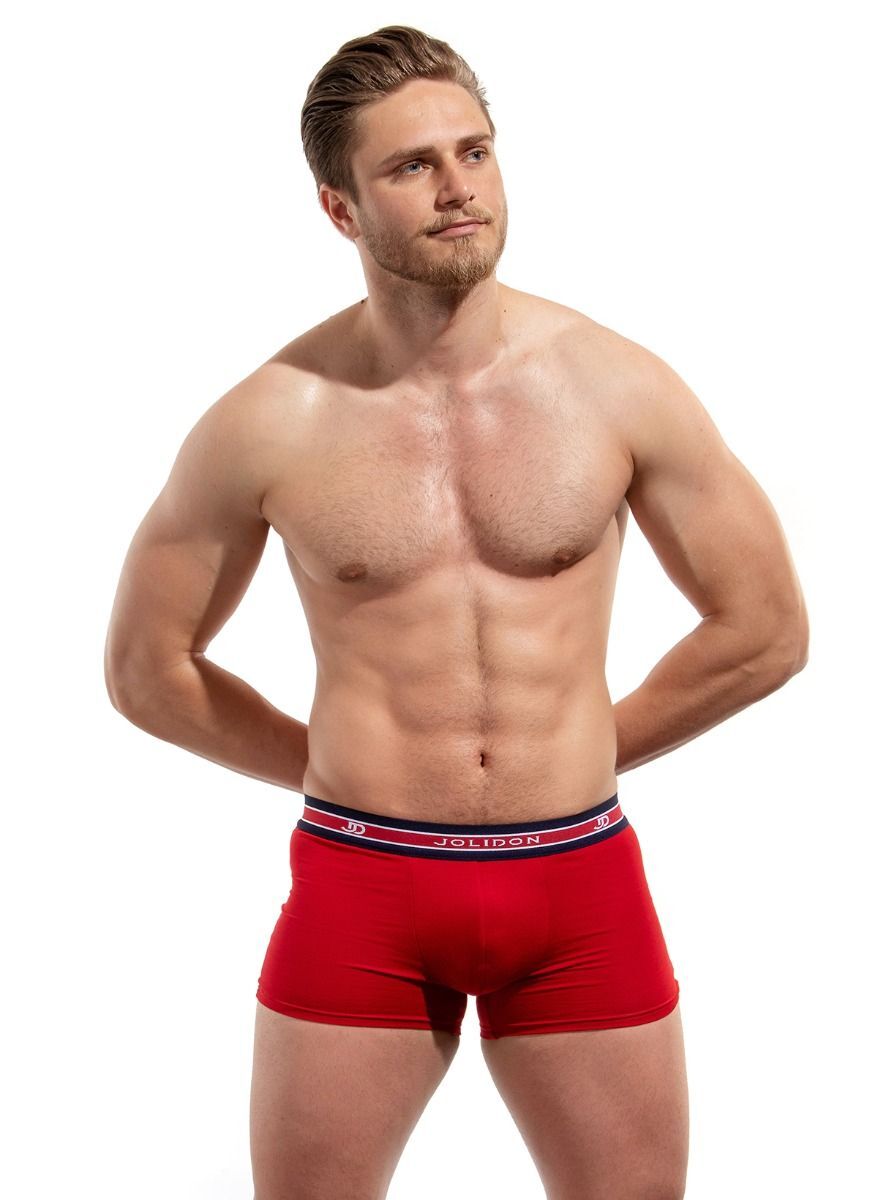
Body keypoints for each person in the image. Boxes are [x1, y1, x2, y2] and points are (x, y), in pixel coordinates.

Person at [103, 24, 809, 1200]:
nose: (456, 187)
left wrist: (581, 749)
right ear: (338, 209)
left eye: (473, 152)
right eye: (411, 166)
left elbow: (764, 628)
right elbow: (148, 670)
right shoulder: (266, 421)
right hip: (364, 884)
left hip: (576, 881)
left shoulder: (616, 385)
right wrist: (324, 765)